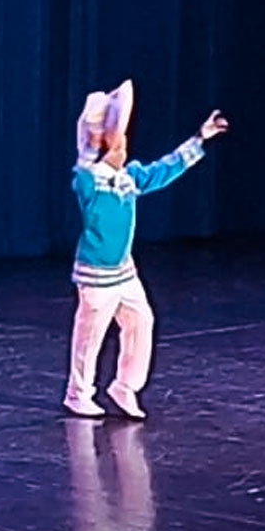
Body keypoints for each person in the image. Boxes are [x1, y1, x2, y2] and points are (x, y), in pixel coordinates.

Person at [64, 81, 228, 418]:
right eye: (119, 138)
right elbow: (83, 164)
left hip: (125, 272)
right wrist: (95, 130)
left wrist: (200, 137)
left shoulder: (129, 177)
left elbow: (166, 169)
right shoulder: (90, 180)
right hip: (96, 275)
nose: (125, 144)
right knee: (90, 336)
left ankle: (124, 387)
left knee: (142, 321)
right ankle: (78, 393)